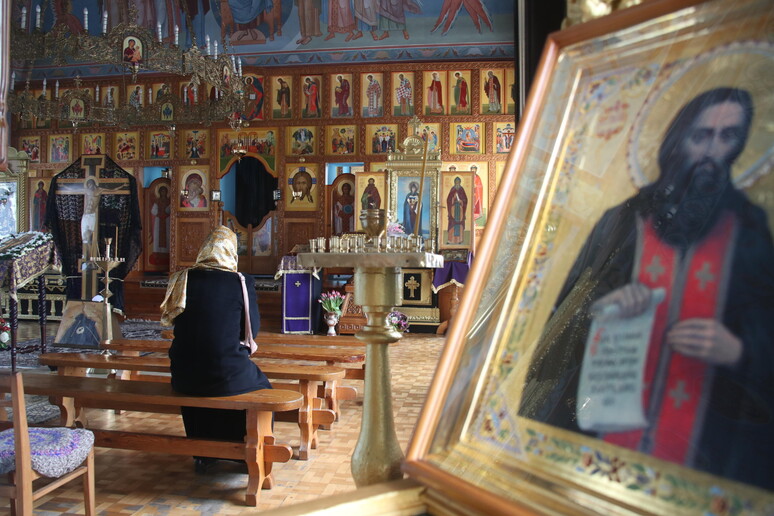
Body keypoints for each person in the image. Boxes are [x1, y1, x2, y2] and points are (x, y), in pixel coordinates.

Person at [518, 87, 774, 491]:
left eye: (728, 137)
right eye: (701, 135)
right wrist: (603, 309)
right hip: (605, 428)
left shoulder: (749, 230)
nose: (712, 151)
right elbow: (562, 327)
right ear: (677, 141)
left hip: (710, 443)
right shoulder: (622, 221)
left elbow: (765, 319)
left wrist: (739, 350)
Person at [161, 226, 272, 473]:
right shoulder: (240, 282)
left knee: (198, 382)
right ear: (231, 252)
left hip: (182, 373)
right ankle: (245, 455)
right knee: (262, 388)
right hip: (223, 370)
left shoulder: (181, 278)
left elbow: (172, 321)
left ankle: (204, 453)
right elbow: (252, 331)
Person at [446, 177, 468, 244]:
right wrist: (453, 198)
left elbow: (465, 200)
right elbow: (448, 200)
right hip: (453, 210)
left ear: (460, 182)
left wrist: (460, 201)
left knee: (459, 224)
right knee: (452, 223)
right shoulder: (452, 189)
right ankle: (450, 240)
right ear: (454, 182)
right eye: (456, 182)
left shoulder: (462, 190)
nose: (457, 183)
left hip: (460, 211)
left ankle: (459, 240)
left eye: (458, 182)